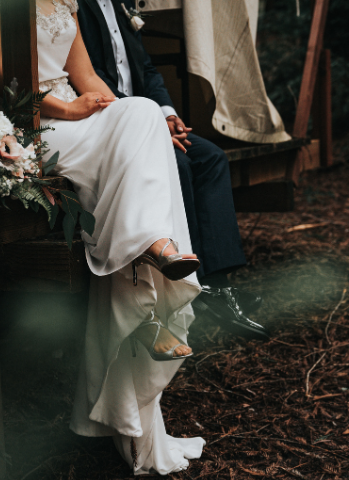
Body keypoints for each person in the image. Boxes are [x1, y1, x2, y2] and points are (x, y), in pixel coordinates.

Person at [0, 0, 206, 475]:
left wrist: (125, 117)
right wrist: (69, 109)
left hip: (79, 116)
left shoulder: (65, 0)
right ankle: (154, 265)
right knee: (142, 127)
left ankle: (149, 245)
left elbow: (87, 77)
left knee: (144, 112)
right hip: (32, 125)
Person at [76, 0, 269, 339]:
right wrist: (148, 124)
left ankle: (218, 287)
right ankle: (187, 289)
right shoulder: (76, 6)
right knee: (176, 164)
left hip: (150, 117)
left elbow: (147, 70)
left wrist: (166, 114)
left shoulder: (122, 5)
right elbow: (89, 79)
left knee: (210, 158)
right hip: (112, 122)